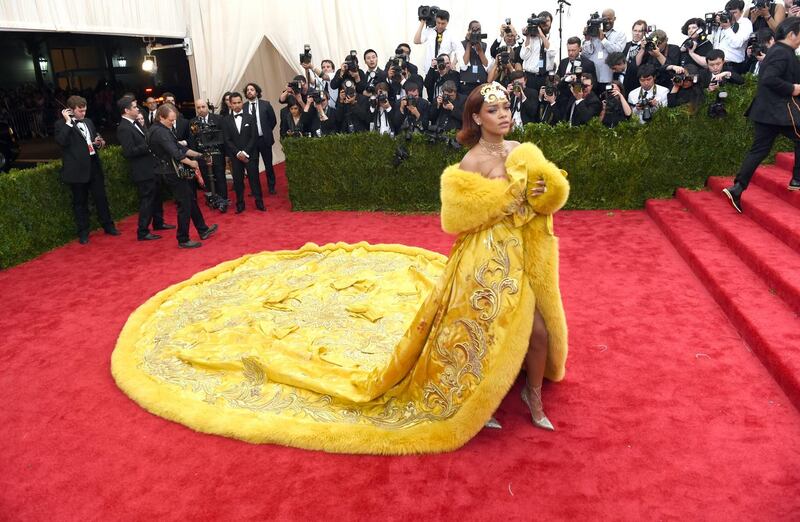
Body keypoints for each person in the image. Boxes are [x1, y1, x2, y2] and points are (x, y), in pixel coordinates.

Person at [112, 82, 571, 452]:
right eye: (493, 109)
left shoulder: (523, 151)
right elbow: (456, 218)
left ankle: (531, 392)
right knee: (479, 330)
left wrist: (539, 196)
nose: (504, 114)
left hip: (521, 253)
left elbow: (551, 193)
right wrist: (506, 200)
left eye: (506, 107)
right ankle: (480, 396)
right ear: (476, 117)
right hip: (480, 258)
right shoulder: (469, 161)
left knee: (538, 331)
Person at [723, 17, 800, 213]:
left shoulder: (777, 51)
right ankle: (797, 179)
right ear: (792, 34)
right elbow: (769, 79)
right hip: (780, 112)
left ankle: (738, 187)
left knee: (759, 150)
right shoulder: (783, 53)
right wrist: (793, 88)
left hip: (766, 112)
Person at [147, 103, 217, 248]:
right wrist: (192, 163)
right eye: (170, 120)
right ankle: (183, 239)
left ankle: (202, 229)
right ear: (161, 117)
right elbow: (176, 153)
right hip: (172, 173)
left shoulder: (163, 129)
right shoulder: (160, 132)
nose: (173, 123)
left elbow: (180, 147)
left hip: (171, 171)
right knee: (184, 204)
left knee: (190, 199)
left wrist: (199, 155)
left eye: (174, 120)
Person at [54, 95, 119, 245]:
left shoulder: (88, 121)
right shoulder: (60, 125)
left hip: (94, 165)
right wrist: (69, 123)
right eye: (80, 111)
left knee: (101, 198)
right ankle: (83, 233)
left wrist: (98, 142)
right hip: (76, 170)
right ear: (70, 111)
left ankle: (108, 226)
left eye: (85, 110)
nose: (83, 114)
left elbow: (90, 141)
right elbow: (61, 142)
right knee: (80, 202)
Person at [116, 95, 173, 240]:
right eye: (134, 107)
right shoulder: (124, 128)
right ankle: (143, 231)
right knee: (147, 200)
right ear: (126, 110)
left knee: (157, 196)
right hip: (142, 170)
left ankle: (158, 223)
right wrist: (148, 146)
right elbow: (129, 152)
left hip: (152, 167)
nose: (137, 109)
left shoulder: (136, 123)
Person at [221, 92, 265, 213]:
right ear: (230, 104)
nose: (237, 105)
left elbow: (254, 136)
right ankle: (240, 203)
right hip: (235, 157)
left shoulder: (250, 117)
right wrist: (237, 153)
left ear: (242, 102)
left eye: (239, 102)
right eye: (234, 103)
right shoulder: (225, 120)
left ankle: (259, 201)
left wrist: (245, 152)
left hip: (250, 154)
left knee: (254, 179)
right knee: (238, 181)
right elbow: (227, 140)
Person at [190, 98, 228, 211]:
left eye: (203, 107)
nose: (201, 109)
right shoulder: (192, 122)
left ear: (207, 107)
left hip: (218, 155)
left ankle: (223, 202)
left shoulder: (218, 119)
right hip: (202, 157)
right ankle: (213, 201)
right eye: (198, 107)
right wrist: (196, 158)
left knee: (220, 178)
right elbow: (192, 141)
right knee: (207, 180)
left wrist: (226, 155)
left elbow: (224, 138)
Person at [243, 82, 278, 195]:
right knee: (252, 167)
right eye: (247, 90)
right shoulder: (243, 107)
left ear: (257, 92)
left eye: (252, 89)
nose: (249, 91)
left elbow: (273, 121)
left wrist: (266, 131)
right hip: (250, 142)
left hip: (264, 139)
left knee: (268, 165)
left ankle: (271, 187)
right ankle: (254, 189)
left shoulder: (266, 104)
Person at [581, 8, 627, 92]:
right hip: (593, 76)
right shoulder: (594, 33)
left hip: (609, 77)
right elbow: (585, 54)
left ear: (614, 18)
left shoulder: (620, 34)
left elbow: (617, 52)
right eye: (604, 19)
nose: (607, 21)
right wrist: (587, 39)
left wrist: (603, 40)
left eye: (610, 19)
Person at [459, 20, 489, 94]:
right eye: (473, 29)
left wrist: (479, 49)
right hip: (467, 83)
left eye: (478, 29)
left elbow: (486, 64)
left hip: (481, 83)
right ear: (469, 30)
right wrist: (469, 43)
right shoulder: (462, 44)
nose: (476, 31)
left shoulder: (484, 45)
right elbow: (464, 64)